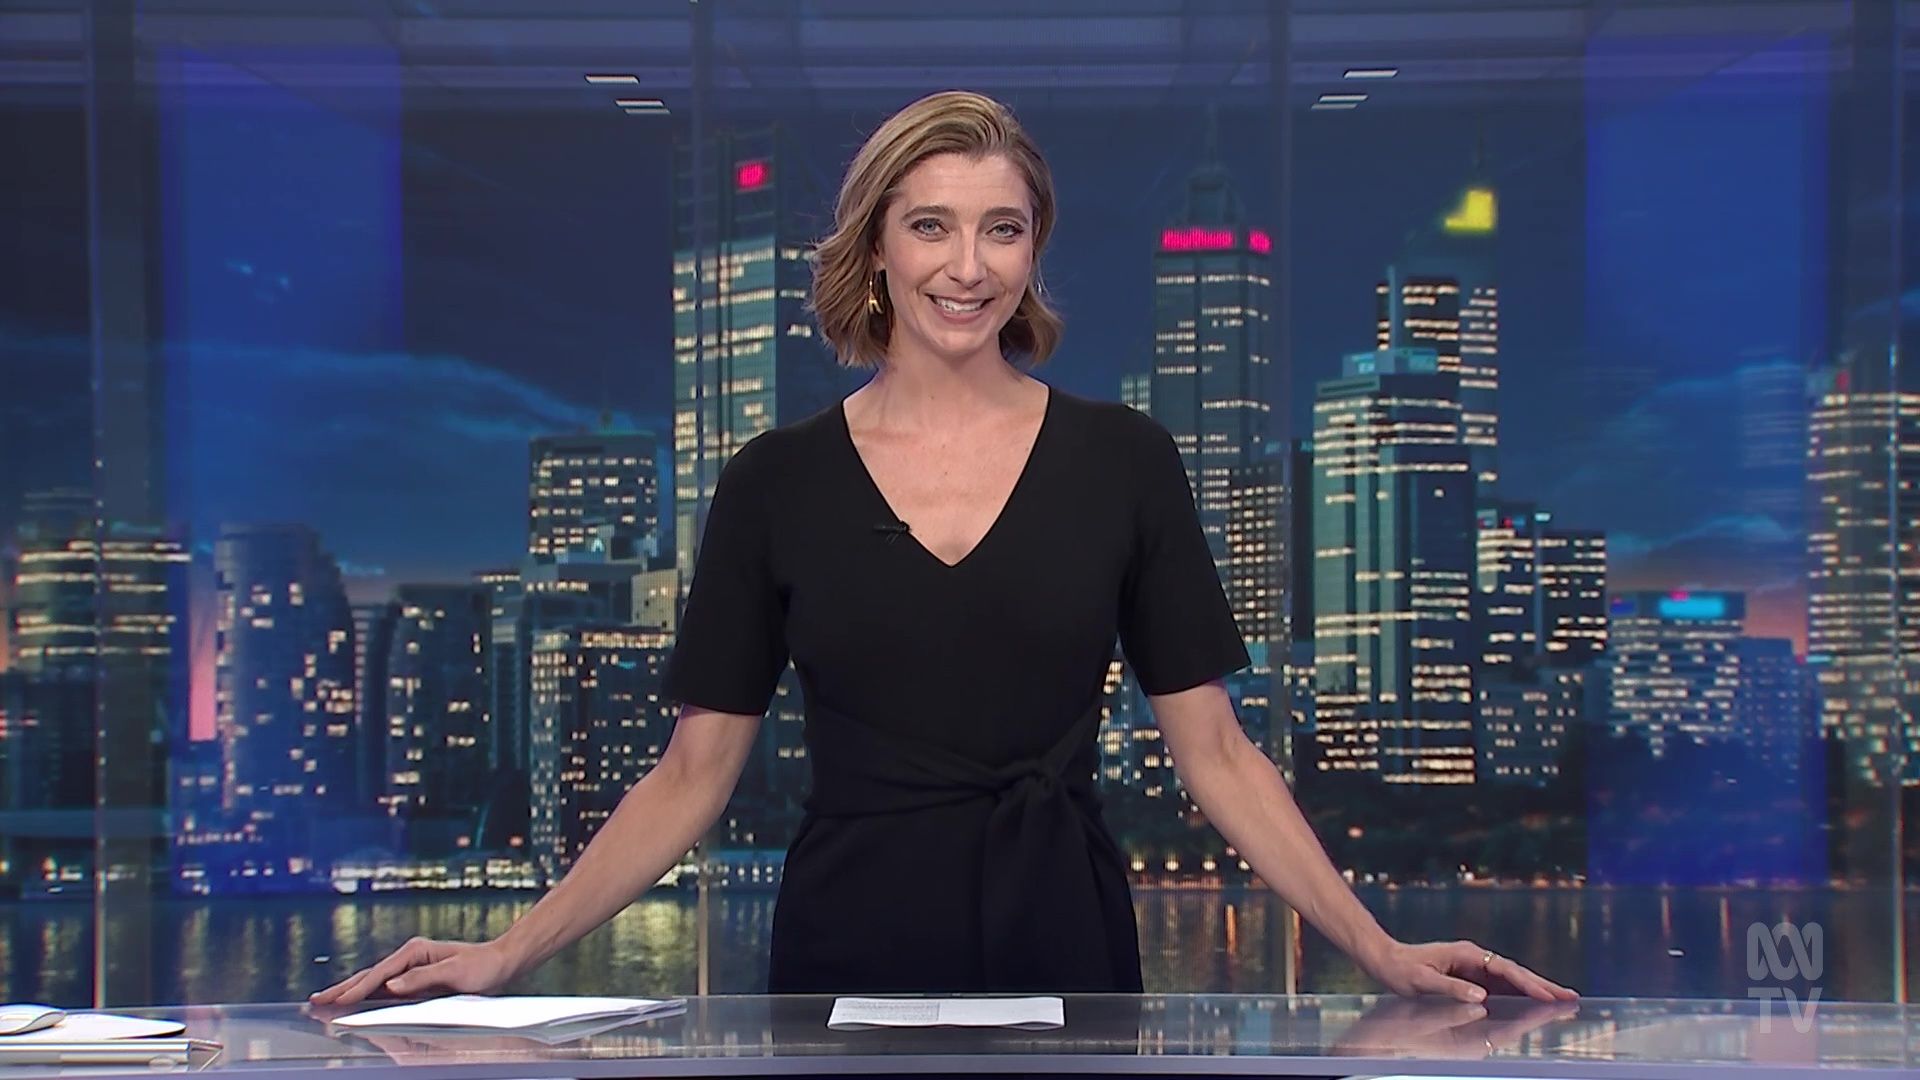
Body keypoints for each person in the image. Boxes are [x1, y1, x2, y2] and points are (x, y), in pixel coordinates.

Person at [312, 89, 1577, 1006]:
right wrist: (506, 953)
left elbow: (1220, 756)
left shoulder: (1127, 460)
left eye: (1001, 229)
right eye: (930, 227)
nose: (967, 267)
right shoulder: (774, 483)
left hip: (1066, 943)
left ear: (1034, 252)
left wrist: (1379, 950)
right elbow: (693, 776)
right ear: (875, 247)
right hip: (845, 952)